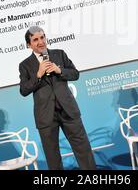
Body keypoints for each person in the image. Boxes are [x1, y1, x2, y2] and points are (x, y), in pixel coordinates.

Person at [19, 26, 96, 170]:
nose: (40, 42)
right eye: (35, 39)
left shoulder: (59, 54)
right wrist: (38, 74)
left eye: (42, 37)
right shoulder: (25, 65)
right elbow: (23, 90)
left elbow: (75, 74)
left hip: (68, 111)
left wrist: (59, 70)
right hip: (46, 116)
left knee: (83, 150)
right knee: (52, 157)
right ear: (29, 45)